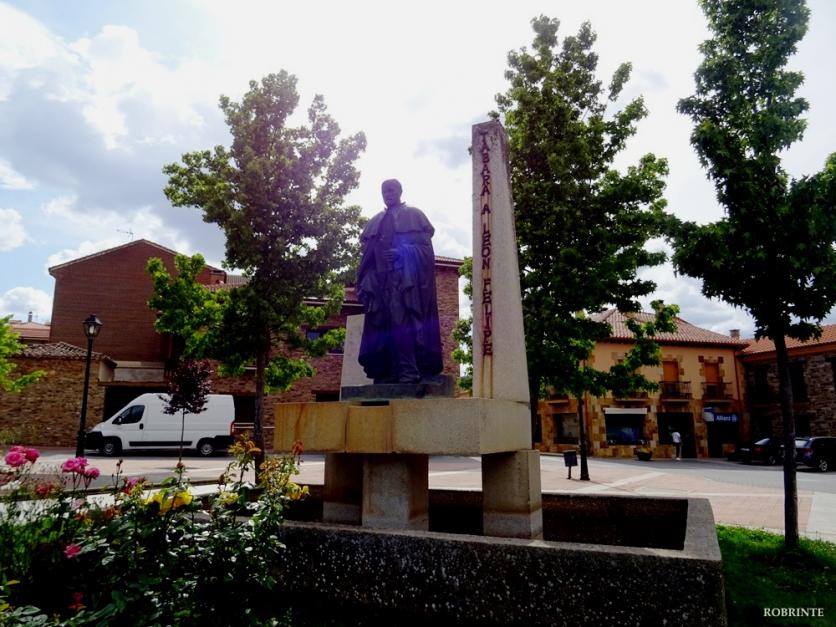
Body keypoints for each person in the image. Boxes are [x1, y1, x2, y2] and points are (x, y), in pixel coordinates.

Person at [356, 179, 443, 384]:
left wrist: (401, 252)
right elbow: (367, 259)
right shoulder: (375, 221)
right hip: (379, 283)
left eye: (392, 190)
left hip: (404, 281)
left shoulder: (414, 215)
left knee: (401, 323)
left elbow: (425, 252)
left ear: (400, 191)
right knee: (382, 326)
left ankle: (409, 370)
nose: (388, 194)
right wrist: (366, 280)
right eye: (384, 191)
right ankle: (388, 371)